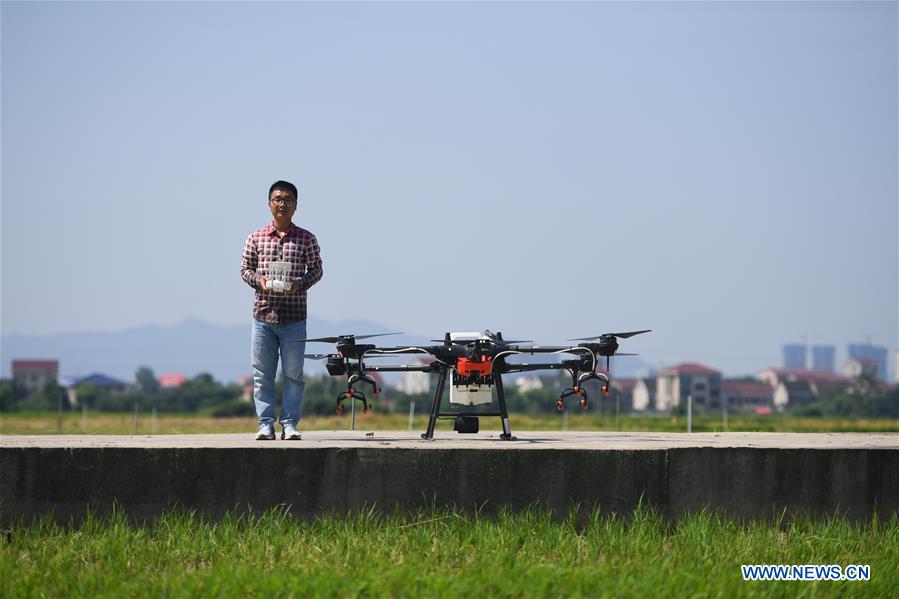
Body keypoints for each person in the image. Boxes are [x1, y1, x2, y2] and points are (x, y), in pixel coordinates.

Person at [241, 180, 323, 440]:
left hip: (294, 316)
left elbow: (318, 270)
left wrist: (300, 283)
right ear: (269, 204)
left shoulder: (306, 238)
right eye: (277, 199)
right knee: (262, 374)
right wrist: (259, 281)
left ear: (296, 206)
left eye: (288, 200)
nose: (282, 204)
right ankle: (265, 424)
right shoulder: (255, 237)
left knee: (293, 374)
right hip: (263, 315)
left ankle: (289, 424)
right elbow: (245, 269)